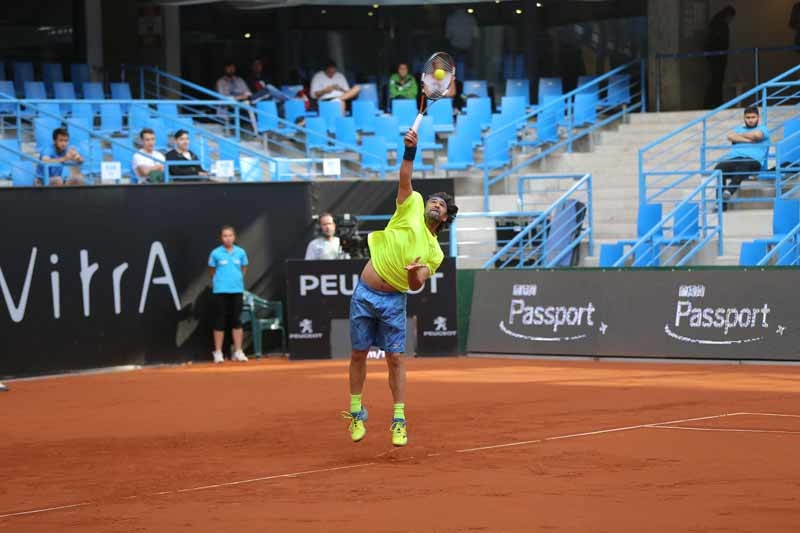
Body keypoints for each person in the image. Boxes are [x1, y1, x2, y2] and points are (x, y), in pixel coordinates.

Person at [343, 129, 458, 447]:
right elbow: (405, 178)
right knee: (358, 353)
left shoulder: (435, 253)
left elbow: (416, 285)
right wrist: (409, 151)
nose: (436, 204)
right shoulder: (411, 205)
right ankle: (356, 411)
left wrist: (413, 274)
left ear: (444, 218)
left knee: (395, 358)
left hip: (394, 300)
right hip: (364, 293)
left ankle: (398, 420)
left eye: (441, 205)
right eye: (434, 200)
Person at [714, 105, 770, 211]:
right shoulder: (738, 129)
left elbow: (757, 135)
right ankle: (721, 204)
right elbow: (730, 136)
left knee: (744, 165)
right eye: (748, 117)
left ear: (758, 118)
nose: (750, 120)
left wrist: (739, 137)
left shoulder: (763, 129)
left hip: (753, 161)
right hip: (734, 159)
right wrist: (749, 140)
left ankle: (729, 191)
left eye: (753, 117)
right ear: (744, 118)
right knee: (719, 168)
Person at [208, 225, 249, 364]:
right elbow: (212, 271)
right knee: (219, 320)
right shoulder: (215, 253)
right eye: (225, 236)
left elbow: (244, 268)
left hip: (237, 290)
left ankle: (238, 351)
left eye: (230, 235)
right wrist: (220, 282)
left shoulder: (241, 252)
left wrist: (236, 280)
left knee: (236, 320)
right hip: (220, 291)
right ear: (221, 238)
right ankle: (218, 352)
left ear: (234, 237)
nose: (228, 238)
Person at [704, 6, 736, 109]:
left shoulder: (716, 23)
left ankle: (713, 102)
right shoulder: (721, 25)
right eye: (731, 18)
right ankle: (714, 102)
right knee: (717, 80)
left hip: (716, 57)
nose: (731, 20)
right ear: (728, 15)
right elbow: (720, 42)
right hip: (718, 57)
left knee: (716, 80)